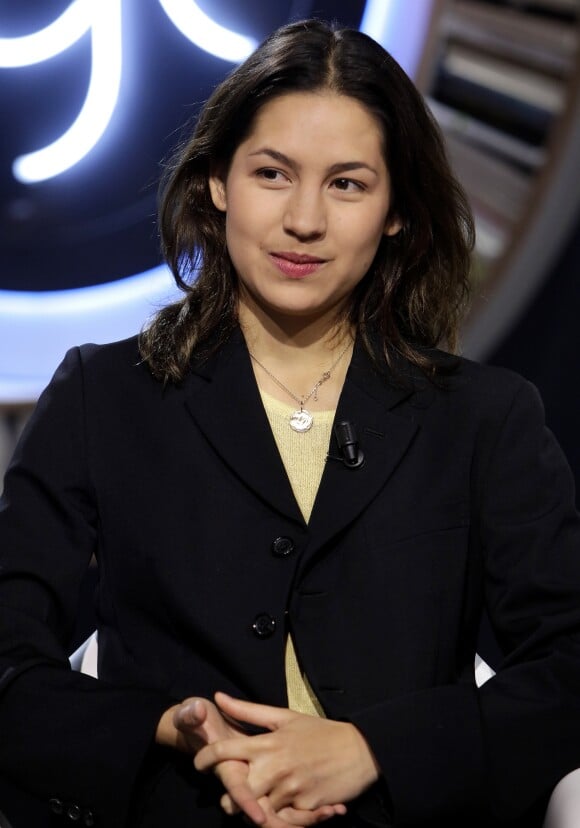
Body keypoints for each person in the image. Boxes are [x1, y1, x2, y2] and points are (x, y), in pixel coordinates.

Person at [1, 17, 580, 828]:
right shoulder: (106, 395)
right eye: (273, 173)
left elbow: (566, 664)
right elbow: (7, 661)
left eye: (347, 184)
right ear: (218, 183)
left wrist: (373, 749)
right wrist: (163, 730)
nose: (304, 220)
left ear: (397, 212)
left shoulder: (483, 419)